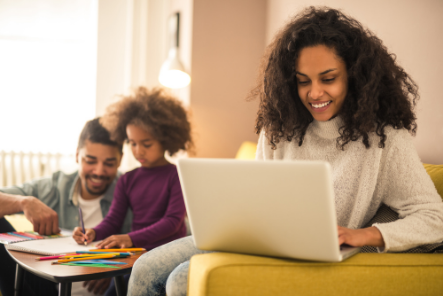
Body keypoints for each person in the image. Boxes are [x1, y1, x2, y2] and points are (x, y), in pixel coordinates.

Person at [126, 6, 443, 296]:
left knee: (181, 280)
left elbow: (434, 219)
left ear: (355, 76)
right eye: (303, 81)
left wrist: (365, 235)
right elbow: (261, 196)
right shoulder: (280, 127)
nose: (314, 93)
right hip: (257, 242)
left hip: (310, 256)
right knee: (144, 269)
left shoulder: (384, 138)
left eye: (328, 79)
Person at [72, 86, 193, 295]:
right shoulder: (127, 179)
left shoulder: (176, 175)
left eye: (146, 143)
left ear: (165, 139)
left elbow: (173, 222)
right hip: (135, 254)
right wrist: (94, 232)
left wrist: (130, 238)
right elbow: (113, 220)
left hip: (165, 255)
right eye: (132, 143)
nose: (138, 151)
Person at [0, 117, 132, 296]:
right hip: (48, 287)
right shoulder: (54, 187)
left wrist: (117, 265)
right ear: (77, 155)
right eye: (91, 161)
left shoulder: (132, 190)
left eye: (109, 163)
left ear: (120, 160)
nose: (99, 171)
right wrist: (23, 202)